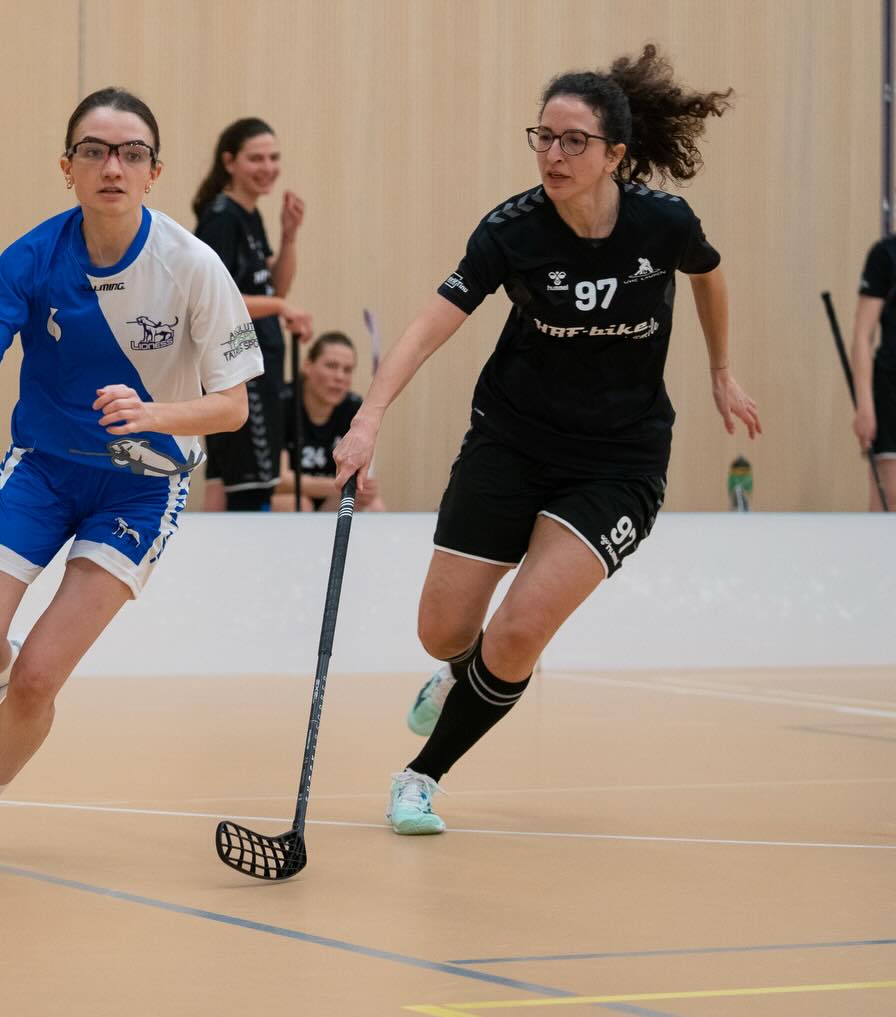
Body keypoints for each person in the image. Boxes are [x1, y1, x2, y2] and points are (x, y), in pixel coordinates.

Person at [332, 45, 761, 836]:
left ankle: (421, 775)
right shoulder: (513, 230)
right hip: (513, 440)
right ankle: (461, 670)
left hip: (620, 460)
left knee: (520, 630)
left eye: (574, 142)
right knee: (444, 630)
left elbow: (710, 273)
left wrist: (722, 370)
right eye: (544, 137)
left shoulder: (661, 223)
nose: (554, 155)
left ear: (615, 156)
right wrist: (371, 414)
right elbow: (433, 323)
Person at [0, 87, 262, 863]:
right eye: (95, 151)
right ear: (67, 168)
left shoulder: (193, 267)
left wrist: (152, 414)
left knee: (40, 677)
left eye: (132, 153)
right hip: (44, 470)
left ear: (155, 171)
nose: (113, 166)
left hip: (142, 484)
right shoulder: (32, 257)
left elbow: (232, 407)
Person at [192, 118, 314, 511]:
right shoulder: (221, 218)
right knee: (247, 482)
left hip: (261, 359)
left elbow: (275, 287)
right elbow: (214, 299)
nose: (268, 168)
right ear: (230, 162)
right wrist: (280, 309)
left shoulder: (248, 215)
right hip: (240, 361)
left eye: (274, 158)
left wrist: (290, 236)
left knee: (251, 477)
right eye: (256, 158)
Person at [274, 331, 385, 512]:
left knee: (374, 505)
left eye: (347, 370)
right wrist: (343, 484)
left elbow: (361, 479)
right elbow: (280, 481)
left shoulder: (354, 407)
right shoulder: (283, 403)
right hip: (285, 499)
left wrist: (362, 488)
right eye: (332, 366)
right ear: (307, 366)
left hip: (329, 498)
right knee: (299, 504)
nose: (340, 377)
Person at [852, 236, 896, 510]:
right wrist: (865, 406)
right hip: (891, 388)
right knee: (889, 497)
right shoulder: (885, 254)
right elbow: (862, 336)